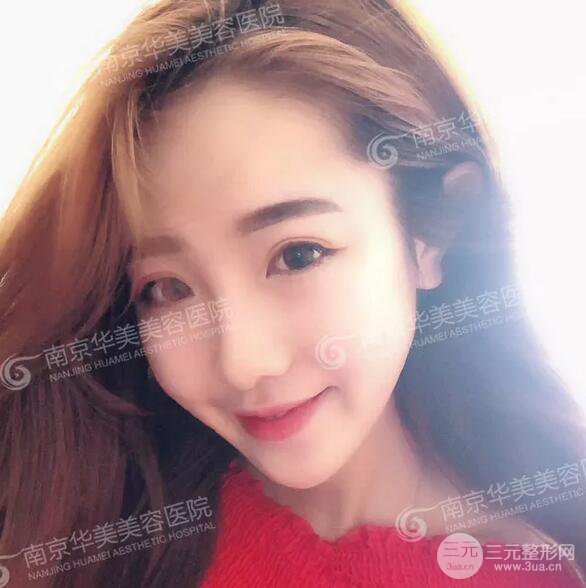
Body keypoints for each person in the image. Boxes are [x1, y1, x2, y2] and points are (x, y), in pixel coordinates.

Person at [0, 1, 585, 586]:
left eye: (298, 255)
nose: (243, 363)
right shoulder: (109, 524)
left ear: (430, 235)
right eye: (169, 289)